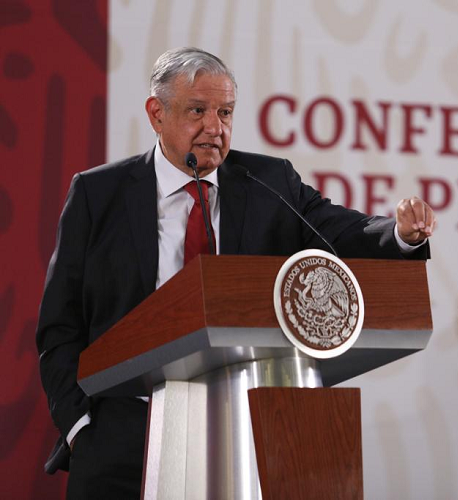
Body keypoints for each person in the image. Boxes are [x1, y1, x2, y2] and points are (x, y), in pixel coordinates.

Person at [36, 46, 435, 499]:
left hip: (248, 433)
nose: (215, 127)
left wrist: (400, 234)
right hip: (125, 435)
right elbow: (59, 326)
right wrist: (81, 428)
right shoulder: (98, 194)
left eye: (225, 112)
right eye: (198, 111)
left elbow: (341, 232)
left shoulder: (269, 182)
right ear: (157, 114)